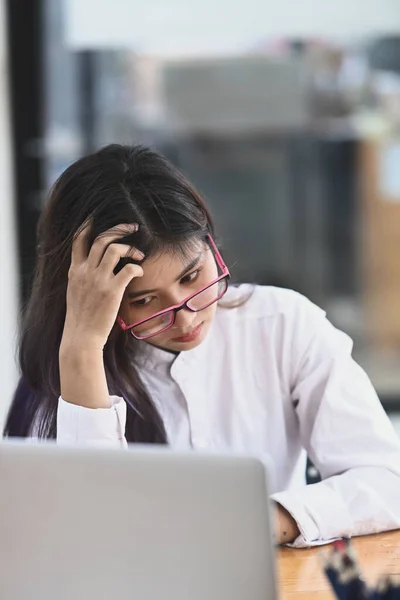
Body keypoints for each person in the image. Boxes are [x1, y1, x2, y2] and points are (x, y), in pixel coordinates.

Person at [4, 144, 400, 548]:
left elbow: (387, 482)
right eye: (144, 301)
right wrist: (82, 350)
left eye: (193, 276)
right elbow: (88, 537)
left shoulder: (282, 324)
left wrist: (262, 521)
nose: (185, 317)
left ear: (211, 244)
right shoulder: (62, 372)